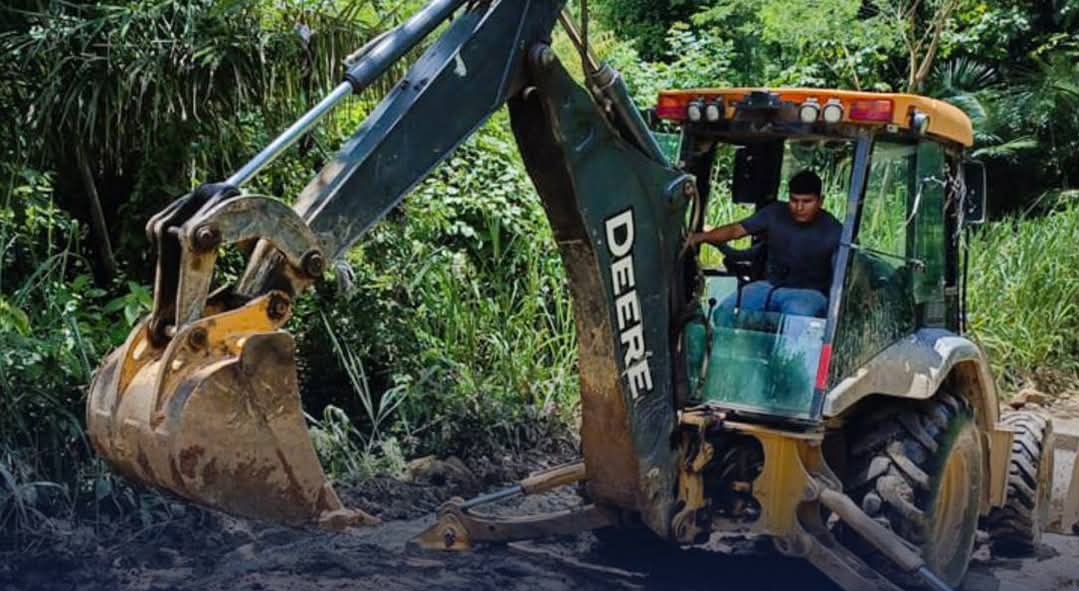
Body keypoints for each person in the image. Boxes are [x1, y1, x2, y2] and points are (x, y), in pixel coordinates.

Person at [686, 170, 841, 318]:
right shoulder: (774, 214)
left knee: (796, 315)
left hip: (810, 293)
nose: (799, 207)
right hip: (770, 286)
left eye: (807, 202)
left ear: (820, 201)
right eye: (794, 200)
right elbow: (735, 230)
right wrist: (700, 237)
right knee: (725, 311)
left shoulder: (835, 231)